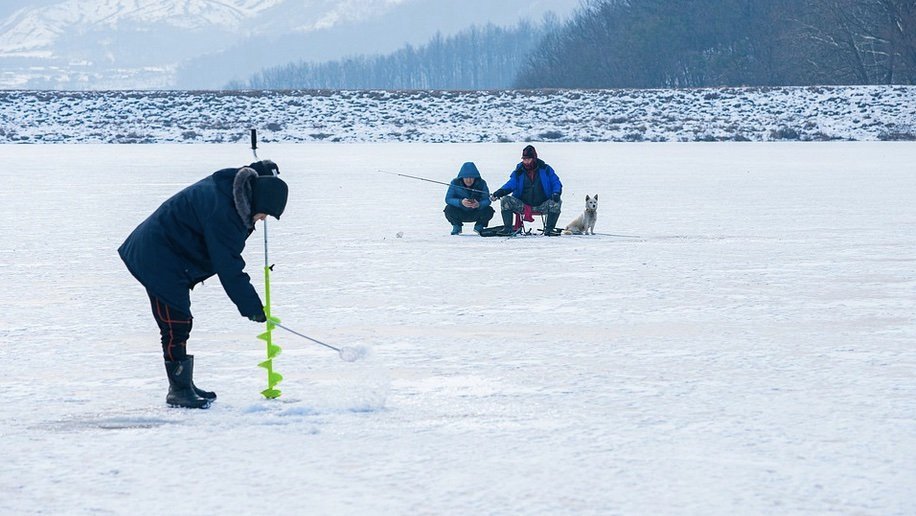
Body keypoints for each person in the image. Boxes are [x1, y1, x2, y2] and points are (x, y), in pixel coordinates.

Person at [118, 160, 288, 409]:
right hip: (157, 256)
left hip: (172, 253)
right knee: (176, 323)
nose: (262, 220)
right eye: (264, 214)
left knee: (179, 322)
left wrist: (262, 169)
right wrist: (252, 307)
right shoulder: (224, 212)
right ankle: (179, 390)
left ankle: (184, 385)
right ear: (258, 202)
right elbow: (228, 266)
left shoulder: (234, 190)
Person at [490, 145, 563, 235]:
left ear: (534, 158)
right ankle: (507, 229)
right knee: (505, 200)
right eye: (524, 159)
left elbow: (555, 182)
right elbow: (511, 184)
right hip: (523, 205)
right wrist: (500, 192)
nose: (526, 161)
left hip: (542, 205)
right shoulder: (519, 171)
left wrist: (556, 193)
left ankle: (550, 229)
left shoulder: (546, 169)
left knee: (557, 202)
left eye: (528, 159)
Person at [443, 161, 494, 235]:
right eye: (466, 177)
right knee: (448, 209)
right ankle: (457, 226)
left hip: (476, 211)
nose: (469, 180)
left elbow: (487, 200)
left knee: (489, 210)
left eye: (471, 177)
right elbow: (448, 199)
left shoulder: (482, 183)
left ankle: (479, 226)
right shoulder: (455, 183)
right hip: (460, 211)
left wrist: (479, 204)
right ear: (462, 177)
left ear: (475, 177)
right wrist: (461, 202)